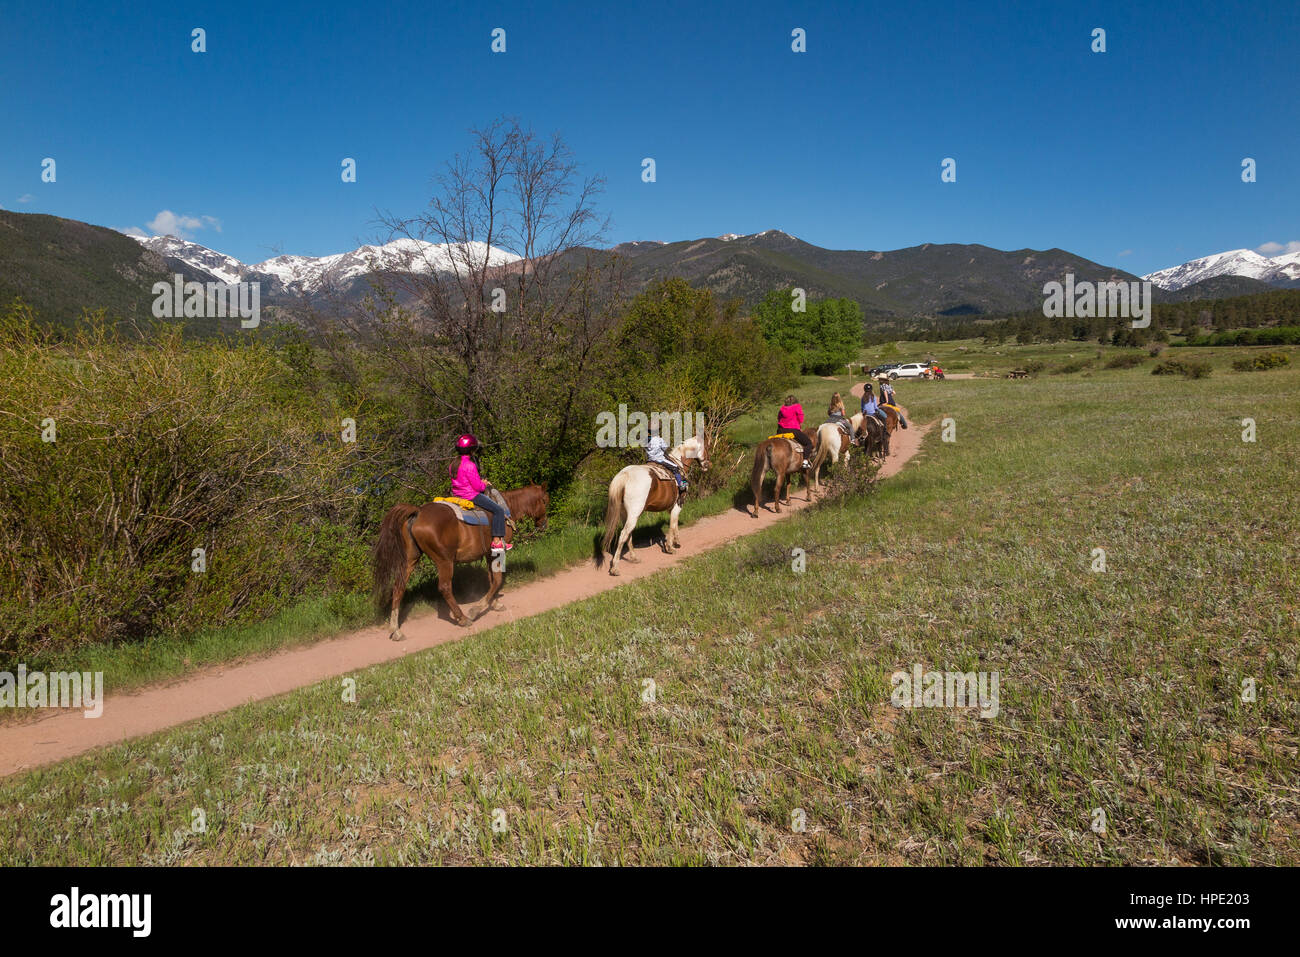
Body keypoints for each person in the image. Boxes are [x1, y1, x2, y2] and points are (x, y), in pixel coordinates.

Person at [449, 433, 511, 551]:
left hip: (457, 495)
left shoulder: (453, 464)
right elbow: (478, 487)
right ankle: (497, 542)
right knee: (498, 510)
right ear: (472, 450)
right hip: (471, 496)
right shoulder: (470, 465)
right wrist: (485, 483)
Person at [646, 424, 688, 492]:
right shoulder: (659, 439)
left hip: (649, 459)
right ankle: (681, 485)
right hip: (659, 459)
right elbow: (665, 448)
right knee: (675, 467)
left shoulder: (647, 440)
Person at [777, 394, 814, 468]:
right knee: (809, 443)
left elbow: (778, 418)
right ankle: (805, 462)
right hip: (793, 430)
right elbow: (801, 420)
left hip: (780, 431)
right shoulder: (797, 407)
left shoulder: (782, 408)